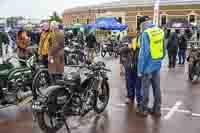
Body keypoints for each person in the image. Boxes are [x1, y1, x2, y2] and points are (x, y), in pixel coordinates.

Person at [137, 16, 165, 117]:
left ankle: (143, 109)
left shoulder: (146, 33)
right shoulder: (160, 31)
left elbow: (143, 54)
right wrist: (159, 61)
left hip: (147, 67)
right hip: (157, 65)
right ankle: (157, 109)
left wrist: (140, 70)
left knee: (145, 89)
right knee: (157, 88)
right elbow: (163, 49)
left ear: (142, 25)